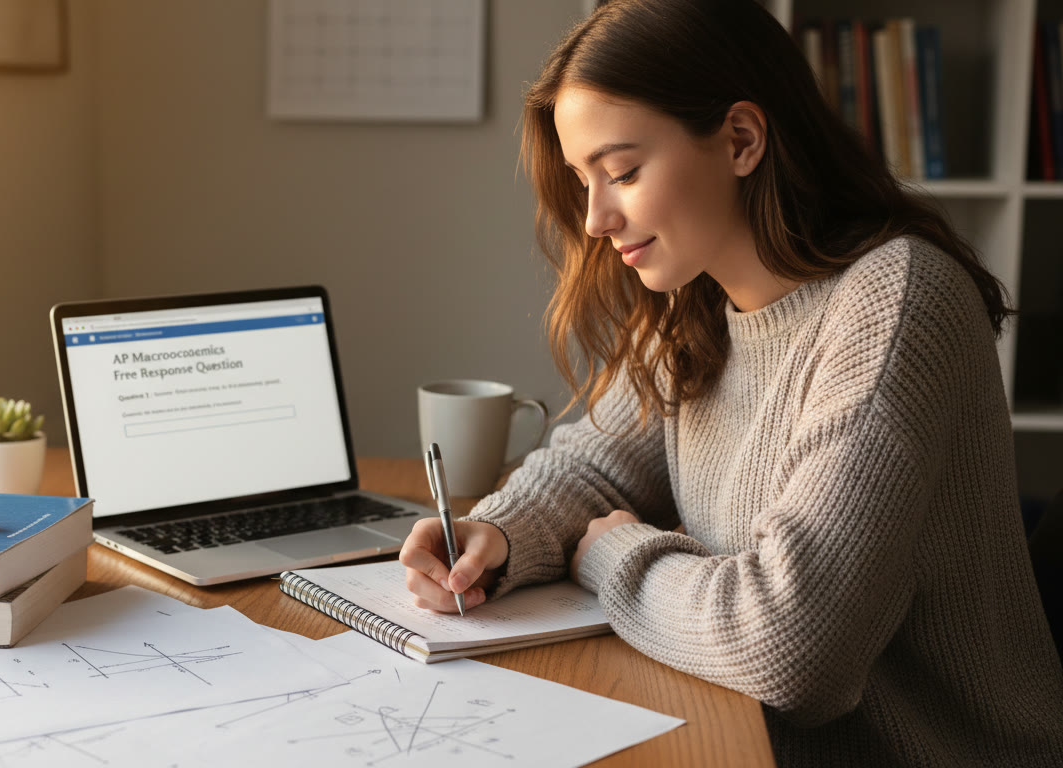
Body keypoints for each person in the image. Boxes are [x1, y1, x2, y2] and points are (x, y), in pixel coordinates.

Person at [397, 1, 1063, 765]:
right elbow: (597, 464)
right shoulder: (697, 295)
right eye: (585, 180)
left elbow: (793, 645)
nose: (594, 219)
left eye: (622, 172)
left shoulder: (897, 303)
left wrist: (612, 558)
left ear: (741, 140)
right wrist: (500, 536)